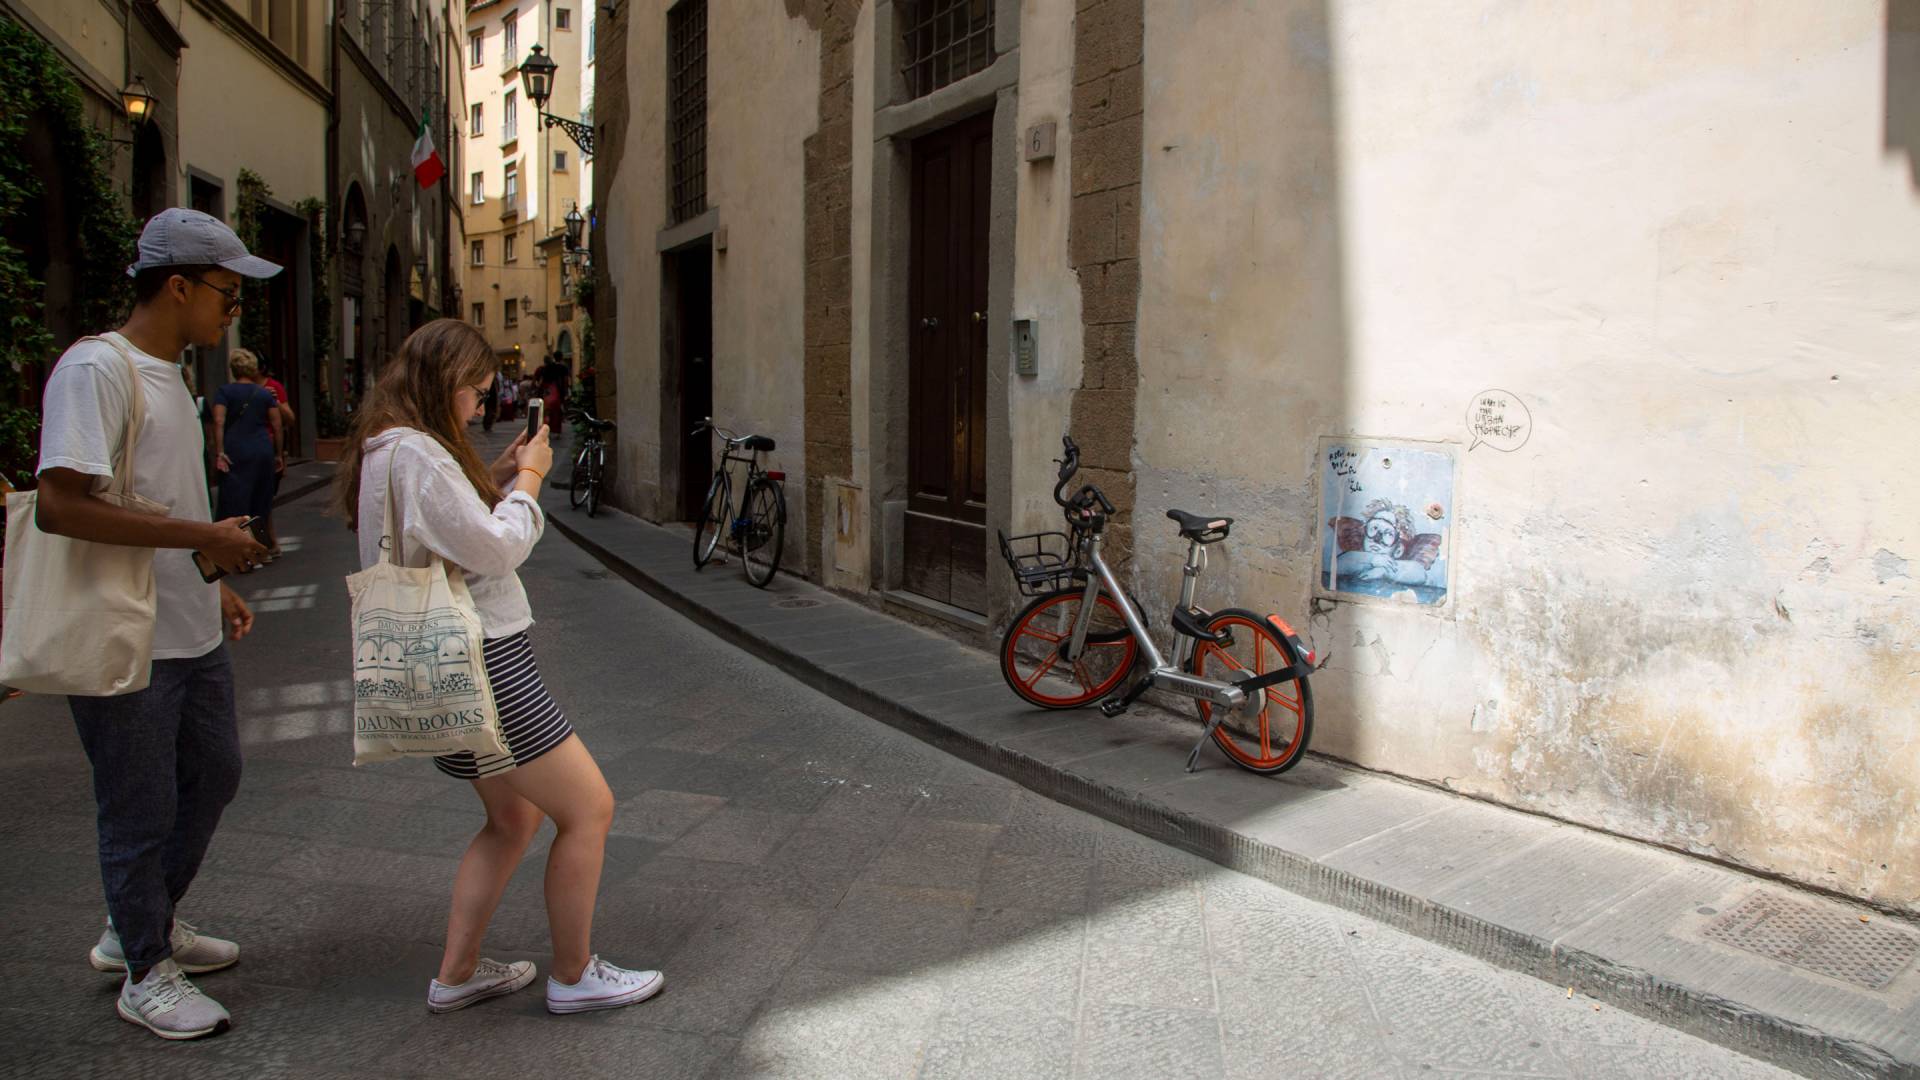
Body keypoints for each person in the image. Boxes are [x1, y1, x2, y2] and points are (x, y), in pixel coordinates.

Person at [333, 319, 663, 1017]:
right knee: (589, 808)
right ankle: (574, 975)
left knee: (512, 818)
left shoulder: (388, 448)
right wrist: (532, 480)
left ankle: (457, 973)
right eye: (477, 393)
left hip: (441, 667)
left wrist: (496, 475)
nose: (479, 406)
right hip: (484, 662)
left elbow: (441, 529)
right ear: (445, 381)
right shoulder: (420, 455)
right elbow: (494, 549)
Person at [33, 207, 275, 1041]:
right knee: (137, 808)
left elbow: (165, 497)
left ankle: (140, 923)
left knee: (215, 773)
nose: (232, 311)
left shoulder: (173, 375)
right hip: (125, 637)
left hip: (186, 624)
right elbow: (60, 506)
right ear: (177, 286)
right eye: (226, 295)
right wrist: (203, 537)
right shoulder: (95, 370)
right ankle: (143, 968)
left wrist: (210, 582)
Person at [211, 349, 282, 560]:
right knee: (261, 500)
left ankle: (240, 551)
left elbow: (219, 421)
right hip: (261, 449)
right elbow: (277, 425)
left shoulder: (224, 392)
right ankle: (262, 548)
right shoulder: (264, 394)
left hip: (236, 450)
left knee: (235, 500)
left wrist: (220, 451)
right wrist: (279, 454)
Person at [259, 364, 296, 556]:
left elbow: (287, 419)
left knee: (265, 498)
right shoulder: (236, 389)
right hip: (258, 450)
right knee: (261, 499)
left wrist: (275, 401)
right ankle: (266, 542)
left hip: (267, 448)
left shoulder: (273, 387)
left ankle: (269, 542)